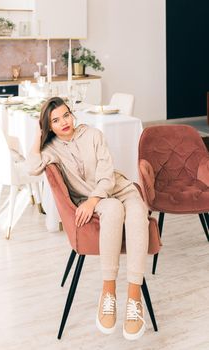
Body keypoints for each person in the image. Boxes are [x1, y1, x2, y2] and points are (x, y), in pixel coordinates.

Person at [26, 97, 149, 341]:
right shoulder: (51, 150)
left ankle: (134, 298)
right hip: (102, 201)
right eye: (55, 120)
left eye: (66, 115)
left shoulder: (93, 134)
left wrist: (92, 201)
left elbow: (106, 175)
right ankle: (108, 293)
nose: (64, 122)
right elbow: (32, 167)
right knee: (112, 210)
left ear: (72, 114)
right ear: (48, 126)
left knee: (138, 213)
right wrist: (39, 136)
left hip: (119, 188)